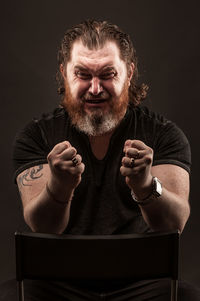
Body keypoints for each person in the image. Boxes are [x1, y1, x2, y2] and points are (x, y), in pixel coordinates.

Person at [1, 19, 200, 301]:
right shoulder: (37, 135)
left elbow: (174, 223)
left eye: (108, 74)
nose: (95, 89)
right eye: (82, 74)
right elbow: (43, 227)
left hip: (143, 283)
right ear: (64, 73)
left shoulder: (164, 134)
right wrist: (59, 187)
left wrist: (145, 185)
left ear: (129, 73)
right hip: (56, 283)